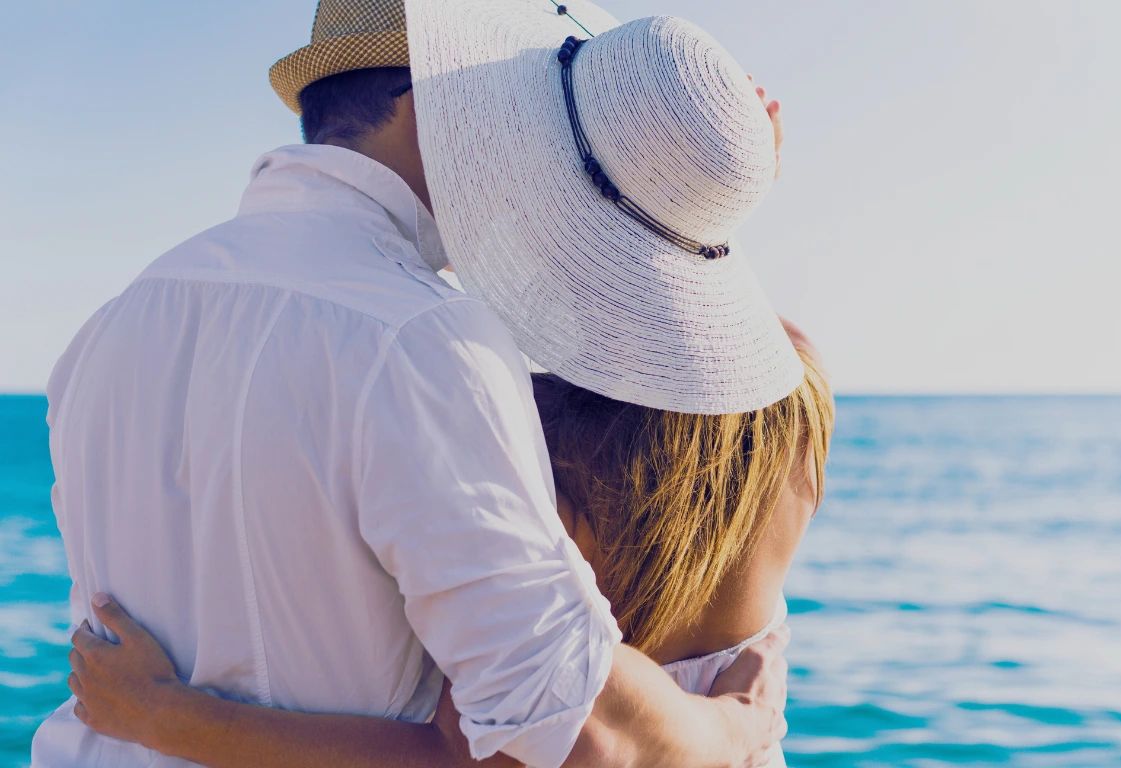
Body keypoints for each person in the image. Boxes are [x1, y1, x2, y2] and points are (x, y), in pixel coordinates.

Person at [36, 0, 807, 766]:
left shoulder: (108, 326)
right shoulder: (425, 341)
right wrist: (741, 725)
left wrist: (167, 718)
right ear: (423, 105)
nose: (528, 143)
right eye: (511, 108)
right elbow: (576, 737)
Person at [64, 330, 833, 768]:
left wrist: (165, 718)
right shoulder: (794, 399)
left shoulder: (567, 441)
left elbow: (461, 761)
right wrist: (738, 727)